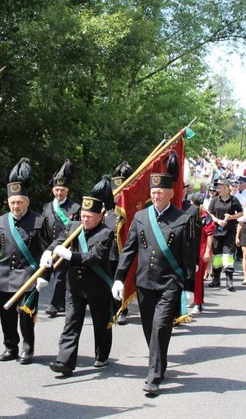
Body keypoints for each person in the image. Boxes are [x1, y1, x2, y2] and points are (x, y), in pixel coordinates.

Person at [112, 172, 195, 396]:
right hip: (145, 283)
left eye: (161, 192)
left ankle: (153, 376)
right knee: (150, 328)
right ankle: (160, 362)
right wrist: (119, 278)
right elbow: (129, 251)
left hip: (169, 283)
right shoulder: (140, 217)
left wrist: (189, 287)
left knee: (160, 327)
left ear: (170, 193)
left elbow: (188, 257)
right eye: (154, 192)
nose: (157, 195)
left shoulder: (183, 218)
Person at [0, 158, 51, 365]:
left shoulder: (39, 221)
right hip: (4, 277)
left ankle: (28, 349)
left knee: (26, 317)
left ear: (27, 202)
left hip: (29, 277)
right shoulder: (2, 220)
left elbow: (48, 251)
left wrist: (45, 275)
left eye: (19, 202)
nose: (15, 206)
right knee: (6, 316)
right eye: (12, 202)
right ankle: (10, 347)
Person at [45, 175, 116, 376]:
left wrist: (70, 255)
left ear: (99, 217)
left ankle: (102, 355)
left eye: (89, 217)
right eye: (83, 216)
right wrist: (48, 253)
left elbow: (95, 257)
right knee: (71, 322)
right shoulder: (73, 227)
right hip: (74, 286)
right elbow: (58, 241)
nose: (85, 220)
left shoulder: (106, 233)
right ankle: (65, 362)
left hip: (98, 286)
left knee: (101, 324)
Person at [41, 160, 80, 318]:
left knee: (60, 277)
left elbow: (77, 230)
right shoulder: (46, 207)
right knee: (46, 275)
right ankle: (62, 303)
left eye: (62, 190)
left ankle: (54, 305)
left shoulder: (75, 208)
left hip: (65, 247)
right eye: (56, 189)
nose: (59, 193)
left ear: (67, 191)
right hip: (50, 247)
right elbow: (43, 230)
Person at [207, 179, 243, 291]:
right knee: (217, 256)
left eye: (221, 187)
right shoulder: (214, 200)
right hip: (217, 232)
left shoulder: (233, 200)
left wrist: (232, 217)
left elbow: (241, 213)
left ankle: (229, 280)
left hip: (229, 232)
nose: (219, 189)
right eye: (218, 187)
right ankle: (216, 279)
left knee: (228, 256)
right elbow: (209, 213)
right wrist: (217, 220)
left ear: (227, 188)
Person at [109, 161, 133, 325]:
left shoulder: (130, 209)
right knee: (110, 280)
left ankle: (122, 309)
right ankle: (112, 308)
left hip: (124, 251)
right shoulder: (105, 208)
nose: (117, 196)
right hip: (108, 251)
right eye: (115, 193)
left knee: (122, 279)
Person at [190, 192, 214, 314]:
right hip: (190, 252)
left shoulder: (205, 217)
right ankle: (193, 299)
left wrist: (207, 252)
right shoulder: (189, 215)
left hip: (201, 251)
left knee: (198, 279)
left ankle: (198, 303)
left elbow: (210, 235)